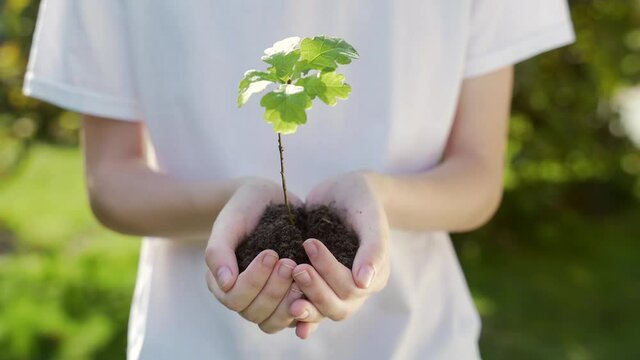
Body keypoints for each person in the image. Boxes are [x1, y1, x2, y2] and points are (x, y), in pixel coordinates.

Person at [23, 0, 574, 358]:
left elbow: (477, 177)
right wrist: (230, 208)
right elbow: (111, 181)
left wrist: (376, 200)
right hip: (195, 339)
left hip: (415, 341)